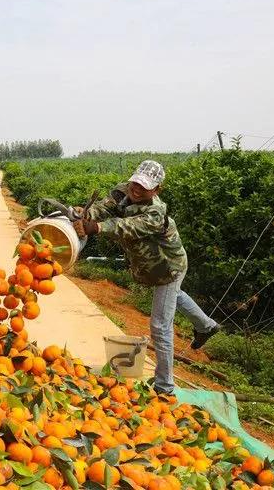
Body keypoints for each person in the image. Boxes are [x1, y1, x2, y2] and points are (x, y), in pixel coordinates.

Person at [74, 160, 220, 395]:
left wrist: (95, 228)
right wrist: (85, 214)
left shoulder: (155, 213)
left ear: (157, 190)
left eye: (145, 186)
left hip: (168, 268)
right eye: (136, 182)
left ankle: (165, 387)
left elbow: (127, 227)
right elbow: (104, 208)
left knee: (160, 326)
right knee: (177, 296)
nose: (137, 189)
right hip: (153, 267)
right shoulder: (123, 191)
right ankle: (206, 326)